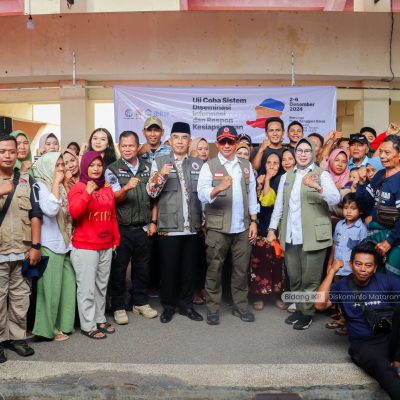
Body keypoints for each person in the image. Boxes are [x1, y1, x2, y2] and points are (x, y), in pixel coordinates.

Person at [267, 137, 340, 330]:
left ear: (313, 153)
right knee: (295, 276)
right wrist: (272, 229)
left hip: (314, 236)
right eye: (300, 151)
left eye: (307, 151)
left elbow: (336, 197)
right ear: (295, 153)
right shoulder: (287, 176)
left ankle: (307, 313)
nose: (303, 154)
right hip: (291, 235)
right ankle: (300, 309)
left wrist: (317, 186)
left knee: (310, 278)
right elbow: (279, 207)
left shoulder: (321, 174)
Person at [315, 243, 400, 400]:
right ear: (351, 264)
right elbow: (319, 305)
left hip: (389, 338)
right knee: (384, 370)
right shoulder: (342, 286)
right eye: (358, 264)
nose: (362, 269)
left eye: (368, 265)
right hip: (365, 344)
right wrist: (332, 271)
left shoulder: (385, 281)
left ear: (374, 268)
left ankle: (397, 360)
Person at [198, 125, 259, 325]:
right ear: (217, 143)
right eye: (222, 141)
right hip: (217, 228)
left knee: (241, 270)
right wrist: (218, 188)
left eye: (230, 141)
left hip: (242, 227)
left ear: (236, 143)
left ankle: (240, 307)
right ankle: (213, 308)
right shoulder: (210, 165)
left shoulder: (245, 165)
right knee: (214, 269)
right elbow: (202, 194)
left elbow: (252, 196)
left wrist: (254, 221)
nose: (226, 145)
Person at [146, 122, 204, 324]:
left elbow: (203, 195)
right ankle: (169, 306)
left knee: (189, 270)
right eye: (176, 137)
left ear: (189, 141)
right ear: (170, 140)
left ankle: (187, 305)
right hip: (169, 226)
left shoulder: (198, 164)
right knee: (169, 270)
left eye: (184, 137)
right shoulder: (159, 160)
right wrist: (161, 174)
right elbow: (151, 193)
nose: (180, 141)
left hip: (192, 226)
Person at [105, 131, 158, 325]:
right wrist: (126, 188)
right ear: (119, 147)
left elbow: (155, 198)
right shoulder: (112, 169)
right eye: (124, 146)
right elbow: (111, 200)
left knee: (142, 268)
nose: (127, 149)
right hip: (121, 228)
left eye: (131, 146)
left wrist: (153, 221)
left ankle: (140, 302)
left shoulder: (148, 167)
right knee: (119, 269)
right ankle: (118, 305)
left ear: (137, 147)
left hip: (144, 228)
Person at [68, 151, 120, 339]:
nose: (96, 169)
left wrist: (116, 239)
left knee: (101, 287)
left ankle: (99, 318)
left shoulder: (106, 188)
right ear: (85, 167)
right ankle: (87, 324)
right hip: (85, 246)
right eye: (92, 165)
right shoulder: (78, 188)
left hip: (106, 244)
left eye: (99, 165)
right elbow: (75, 213)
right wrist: (88, 192)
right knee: (87, 288)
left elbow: (112, 216)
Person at [0, 135, 42, 363]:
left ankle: (17, 337)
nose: (7, 155)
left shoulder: (27, 179)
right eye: (2, 151)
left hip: (23, 250)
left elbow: (35, 213)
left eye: (11, 151)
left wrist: (36, 245)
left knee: (20, 297)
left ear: (19, 153)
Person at [32, 152, 76, 341]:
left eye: (62, 164)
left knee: (67, 287)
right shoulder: (40, 185)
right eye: (57, 165)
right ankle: (47, 329)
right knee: (50, 291)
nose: (61, 168)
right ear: (47, 166)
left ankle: (65, 325)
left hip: (65, 243)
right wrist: (57, 183)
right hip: (49, 244)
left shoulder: (60, 184)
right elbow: (50, 210)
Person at [355, 135, 400, 277]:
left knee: (391, 279)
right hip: (377, 233)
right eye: (381, 151)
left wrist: (389, 241)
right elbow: (363, 203)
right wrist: (361, 184)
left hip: (395, 237)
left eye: (387, 152)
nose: (382, 156)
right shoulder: (379, 175)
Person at [250, 152, 284, 311]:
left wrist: (269, 180)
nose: (272, 166)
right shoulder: (258, 179)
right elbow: (264, 202)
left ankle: (277, 295)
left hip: (278, 228)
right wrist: (264, 182)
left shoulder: (284, 180)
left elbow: (272, 202)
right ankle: (259, 296)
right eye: (269, 162)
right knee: (259, 263)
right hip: (261, 227)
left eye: (275, 163)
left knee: (278, 264)